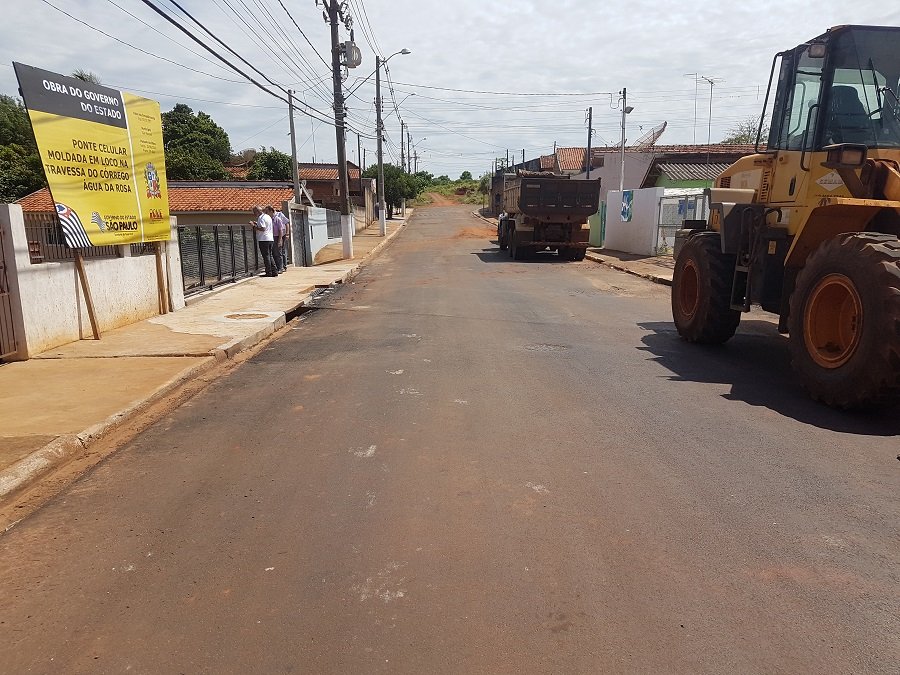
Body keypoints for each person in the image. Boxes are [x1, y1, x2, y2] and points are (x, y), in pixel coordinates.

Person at [250, 205, 277, 277]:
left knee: (266, 256)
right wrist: (257, 224)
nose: (254, 214)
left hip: (263, 239)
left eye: (254, 212)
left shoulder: (261, 218)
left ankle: (269, 272)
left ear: (258, 211)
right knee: (270, 255)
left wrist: (253, 226)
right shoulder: (267, 216)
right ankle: (274, 271)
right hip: (270, 238)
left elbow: (263, 228)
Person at [267, 205, 290, 272]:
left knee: (281, 251)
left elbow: (286, 223)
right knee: (278, 251)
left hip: (281, 234)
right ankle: (281, 266)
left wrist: (287, 234)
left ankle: (283, 266)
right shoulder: (270, 218)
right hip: (275, 235)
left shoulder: (279, 215)